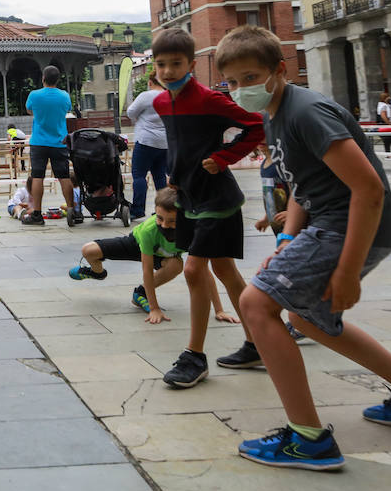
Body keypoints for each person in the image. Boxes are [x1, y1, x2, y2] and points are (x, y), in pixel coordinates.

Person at [217, 25, 391, 471]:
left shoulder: (308, 112)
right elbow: (304, 187)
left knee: (255, 305)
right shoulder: (275, 112)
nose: (240, 90)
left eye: (250, 78)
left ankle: (308, 440)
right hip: (329, 224)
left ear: (279, 70)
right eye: (230, 82)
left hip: (350, 227)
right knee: (309, 320)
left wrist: (347, 273)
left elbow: (368, 189)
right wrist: (288, 238)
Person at [150, 27, 263, 388]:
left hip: (218, 199)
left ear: (192, 64)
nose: (167, 71)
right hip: (189, 198)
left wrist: (224, 157)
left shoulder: (207, 99)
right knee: (226, 274)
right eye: (161, 64)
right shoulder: (159, 102)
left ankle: (194, 356)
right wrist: (175, 175)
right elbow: (180, 146)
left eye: (176, 63)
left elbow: (256, 125)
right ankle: (258, 342)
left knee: (195, 271)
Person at [69, 186, 236, 325]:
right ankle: (97, 272)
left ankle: (140, 293)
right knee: (88, 250)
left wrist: (219, 310)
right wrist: (154, 307)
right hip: (136, 244)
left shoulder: (193, 233)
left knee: (177, 265)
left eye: (171, 221)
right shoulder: (150, 230)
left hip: (165, 257)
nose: (164, 224)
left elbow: (205, 272)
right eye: (160, 218)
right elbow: (147, 270)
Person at [20, 66, 75, 226]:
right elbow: (67, 110)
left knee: (37, 176)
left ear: (43, 78)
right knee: (64, 176)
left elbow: (30, 111)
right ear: (57, 79)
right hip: (59, 142)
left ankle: (37, 214)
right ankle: (72, 210)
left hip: (39, 142)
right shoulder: (64, 96)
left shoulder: (34, 95)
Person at [127, 72, 169, 216]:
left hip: (146, 140)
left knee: (139, 175)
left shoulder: (146, 95)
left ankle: (138, 209)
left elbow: (130, 112)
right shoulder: (169, 95)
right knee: (160, 176)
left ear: (150, 82)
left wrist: (140, 116)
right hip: (164, 143)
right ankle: (163, 208)